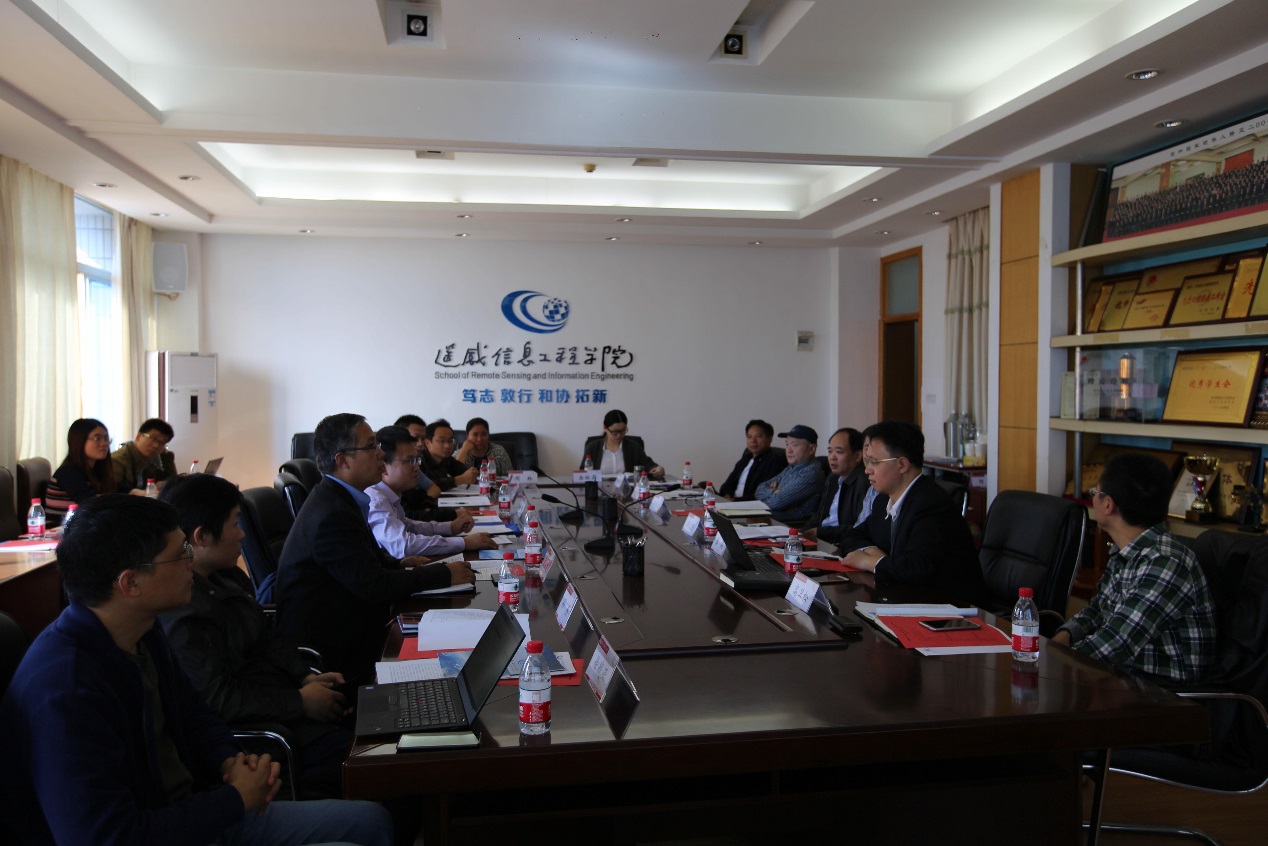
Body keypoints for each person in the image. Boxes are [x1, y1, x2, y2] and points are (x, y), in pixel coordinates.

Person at [0, 494, 392, 846]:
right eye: (179, 554)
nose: (191, 560)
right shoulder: (66, 690)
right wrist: (234, 799)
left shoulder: (142, 629)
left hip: (198, 813)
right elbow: (107, 836)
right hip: (170, 828)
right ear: (131, 583)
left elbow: (193, 713)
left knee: (371, 820)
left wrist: (230, 761)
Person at [157, 473, 353, 800]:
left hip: (287, 707)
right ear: (201, 536)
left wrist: (305, 677)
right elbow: (217, 698)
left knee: (367, 714)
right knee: (376, 761)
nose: (242, 534)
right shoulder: (183, 610)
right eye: (235, 524)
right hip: (271, 737)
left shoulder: (228, 577)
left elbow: (267, 637)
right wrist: (299, 702)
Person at [275, 414, 475, 687]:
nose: (381, 454)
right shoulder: (332, 514)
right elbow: (374, 585)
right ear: (343, 460)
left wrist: (400, 564)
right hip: (333, 655)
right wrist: (444, 574)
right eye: (371, 446)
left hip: (354, 625)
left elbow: (365, 562)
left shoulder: (340, 498)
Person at [1053, 453, 1216, 683]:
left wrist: (1052, 661)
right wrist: (1065, 635)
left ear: (1107, 504)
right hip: (1124, 675)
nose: (1093, 499)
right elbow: (1099, 609)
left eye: (1095, 493)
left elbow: (1118, 641)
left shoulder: (1167, 561)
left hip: (1163, 691)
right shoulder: (1127, 550)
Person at [838, 421, 985, 605]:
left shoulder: (931, 504)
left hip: (950, 608)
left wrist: (868, 562)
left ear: (902, 464)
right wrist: (873, 551)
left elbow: (917, 568)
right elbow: (852, 535)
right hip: (905, 598)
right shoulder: (884, 499)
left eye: (874, 462)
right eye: (867, 461)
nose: (867, 470)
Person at [367, 426, 497, 559]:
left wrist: (450, 527)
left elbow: (408, 525)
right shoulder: (376, 500)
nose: (417, 468)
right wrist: (464, 543)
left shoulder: (389, 494)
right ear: (383, 466)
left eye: (417, 460)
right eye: (410, 461)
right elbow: (403, 545)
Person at [804, 427, 874, 544]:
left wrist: (820, 532)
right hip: (821, 540)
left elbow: (859, 527)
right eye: (830, 451)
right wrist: (801, 533)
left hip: (840, 544)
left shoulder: (865, 482)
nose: (832, 457)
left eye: (839, 452)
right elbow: (820, 514)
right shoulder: (833, 478)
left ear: (858, 455)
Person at [44, 417, 117, 525]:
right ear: (79, 441)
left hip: (83, 528)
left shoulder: (94, 471)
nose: (104, 443)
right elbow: (90, 504)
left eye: (106, 438)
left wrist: (134, 492)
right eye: (97, 438)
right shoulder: (68, 472)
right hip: (60, 531)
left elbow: (116, 488)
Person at [753, 424, 824, 522]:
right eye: (787, 444)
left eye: (795, 445)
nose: (788, 450)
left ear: (812, 449)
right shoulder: (791, 468)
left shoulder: (811, 473)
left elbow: (776, 502)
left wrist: (777, 494)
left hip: (792, 525)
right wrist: (774, 492)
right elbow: (759, 489)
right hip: (773, 519)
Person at [718, 419, 787, 500]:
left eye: (758, 436)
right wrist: (727, 496)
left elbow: (764, 493)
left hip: (748, 504)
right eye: (749, 437)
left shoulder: (775, 460)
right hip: (731, 502)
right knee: (705, 486)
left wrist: (735, 501)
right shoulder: (745, 459)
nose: (753, 441)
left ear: (769, 439)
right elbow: (728, 484)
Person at [580, 409, 663, 476]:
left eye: (623, 431)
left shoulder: (633, 447)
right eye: (615, 432)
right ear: (605, 428)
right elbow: (582, 472)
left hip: (627, 490)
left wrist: (657, 469)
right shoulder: (593, 447)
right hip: (598, 490)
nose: (619, 435)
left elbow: (648, 464)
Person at [112, 417, 179, 492]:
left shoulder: (151, 460)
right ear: (138, 437)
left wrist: (166, 455)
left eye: (162, 442)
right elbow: (111, 491)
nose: (156, 445)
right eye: (153, 438)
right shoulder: (117, 460)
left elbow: (172, 484)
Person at [420, 419, 479, 491]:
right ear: (427, 443)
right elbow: (424, 486)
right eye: (442, 441)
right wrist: (458, 480)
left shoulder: (447, 459)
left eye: (450, 441)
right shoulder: (418, 460)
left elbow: (464, 472)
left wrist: (472, 474)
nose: (447, 446)